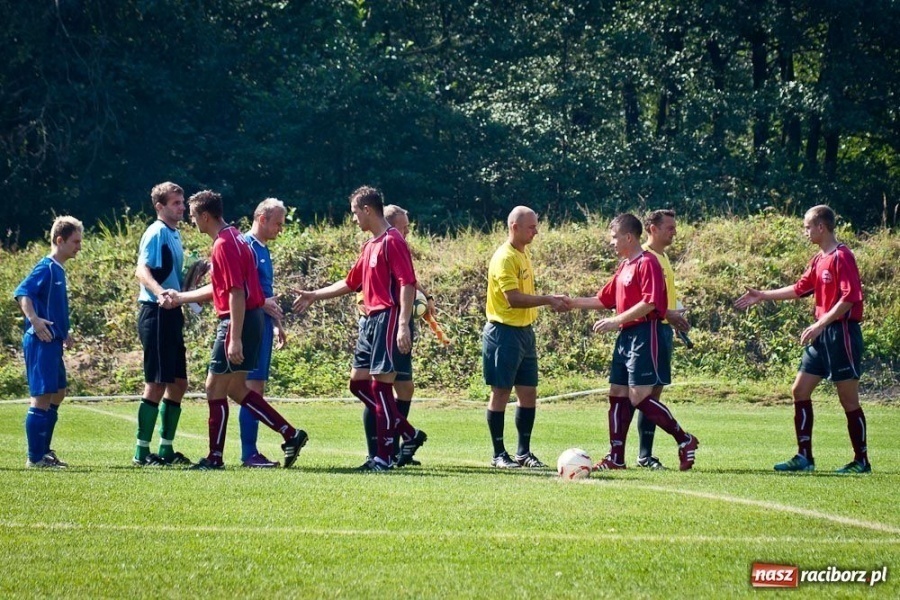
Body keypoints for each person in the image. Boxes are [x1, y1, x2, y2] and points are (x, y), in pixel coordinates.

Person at [293, 186, 427, 472]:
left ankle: (383, 457)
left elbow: (407, 283)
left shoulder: (393, 241)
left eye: (355, 213)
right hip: (370, 322)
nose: (353, 219)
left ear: (367, 210)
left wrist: (403, 323)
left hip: (388, 318)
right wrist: (314, 294)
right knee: (358, 383)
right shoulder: (369, 245)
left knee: (380, 387)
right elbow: (350, 283)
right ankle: (407, 433)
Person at [171, 190, 307, 470]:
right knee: (236, 389)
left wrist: (234, 337)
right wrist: (182, 296)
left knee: (214, 388)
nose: (193, 222)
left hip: (238, 321)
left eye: (194, 217)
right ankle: (290, 434)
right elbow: (224, 287)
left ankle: (215, 458)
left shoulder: (224, 244)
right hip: (253, 318)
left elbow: (235, 292)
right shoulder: (236, 238)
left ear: (205, 216)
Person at [735, 205, 869, 474]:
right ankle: (804, 457)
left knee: (848, 400)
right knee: (800, 390)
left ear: (821, 227)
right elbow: (799, 289)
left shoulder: (842, 257)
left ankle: (861, 461)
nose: (805, 231)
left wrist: (820, 324)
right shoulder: (819, 259)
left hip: (840, 334)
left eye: (808, 226)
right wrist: (762, 294)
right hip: (821, 336)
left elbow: (849, 298)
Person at [563, 213, 698, 471]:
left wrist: (615, 321)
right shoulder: (624, 266)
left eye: (614, 238)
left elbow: (650, 302)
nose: (612, 243)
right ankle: (616, 458)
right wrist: (571, 304)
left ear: (628, 236)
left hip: (646, 334)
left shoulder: (648, 263)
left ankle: (685, 439)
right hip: (626, 336)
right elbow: (604, 300)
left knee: (638, 397)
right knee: (617, 394)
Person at [483, 206, 568, 469]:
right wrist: (547, 300)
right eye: (531, 227)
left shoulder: (524, 253)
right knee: (500, 393)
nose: (536, 231)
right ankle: (499, 454)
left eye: (536, 226)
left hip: (524, 333)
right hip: (503, 332)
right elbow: (513, 299)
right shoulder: (504, 258)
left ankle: (523, 452)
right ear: (514, 227)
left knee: (528, 393)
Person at [357, 204, 435, 465]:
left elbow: (408, 280)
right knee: (374, 387)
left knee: (401, 387)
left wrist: (424, 300)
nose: (407, 232)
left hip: (392, 323)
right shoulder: (377, 244)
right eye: (405, 227)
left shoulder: (393, 243)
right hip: (378, 322)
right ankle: (382, 450)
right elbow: (359, 285)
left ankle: (395, 447)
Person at [14, 216, 83, 468]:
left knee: (58, 393)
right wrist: (34, 321)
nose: (79, 247)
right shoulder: (46, 266)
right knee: (42, 396)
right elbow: (23, 292)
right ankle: (35, 458)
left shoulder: (58, 270)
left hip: (53, 341)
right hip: (40, 341)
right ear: (59, 240)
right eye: (75, 241)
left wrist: (65, 331)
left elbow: (52, 305)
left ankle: (44, 451)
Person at [132, 182, 193, 466]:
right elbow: (141, 270)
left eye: (182, 202)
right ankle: (142, 453)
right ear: (160, 207)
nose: (182, 207)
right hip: (155, 312)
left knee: (178, 382)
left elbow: (174, 282)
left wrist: (193, 275)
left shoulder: (174, 234)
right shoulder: (156, 232)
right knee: (156, 382)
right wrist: (159, 293)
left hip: (171, 313)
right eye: (175, 203)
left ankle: (166, 449)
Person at [634, 209, 692, 469]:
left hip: (663, 330)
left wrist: (676, 319)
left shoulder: (663, 257)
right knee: (643, 396)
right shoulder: (645, 258)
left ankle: (645, 455)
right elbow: (641, 299)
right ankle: (644, 454)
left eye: (674, 227)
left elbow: (665, 297)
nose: (674, 231)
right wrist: (668, 314)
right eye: (669, 227)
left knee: (653, 395)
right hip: (649, 331)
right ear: (652, 229)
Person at [240, 198, 288, 468]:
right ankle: (249, 453)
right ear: (262, 219)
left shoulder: (263, 249)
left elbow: (267, 293)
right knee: (251, 389)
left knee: (255, 388)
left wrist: (276, 324)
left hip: (262, 324)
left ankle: (250, 452)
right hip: (249, 324)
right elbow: (241, 288)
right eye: (278, 223)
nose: (280, 229)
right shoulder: (245, 246)